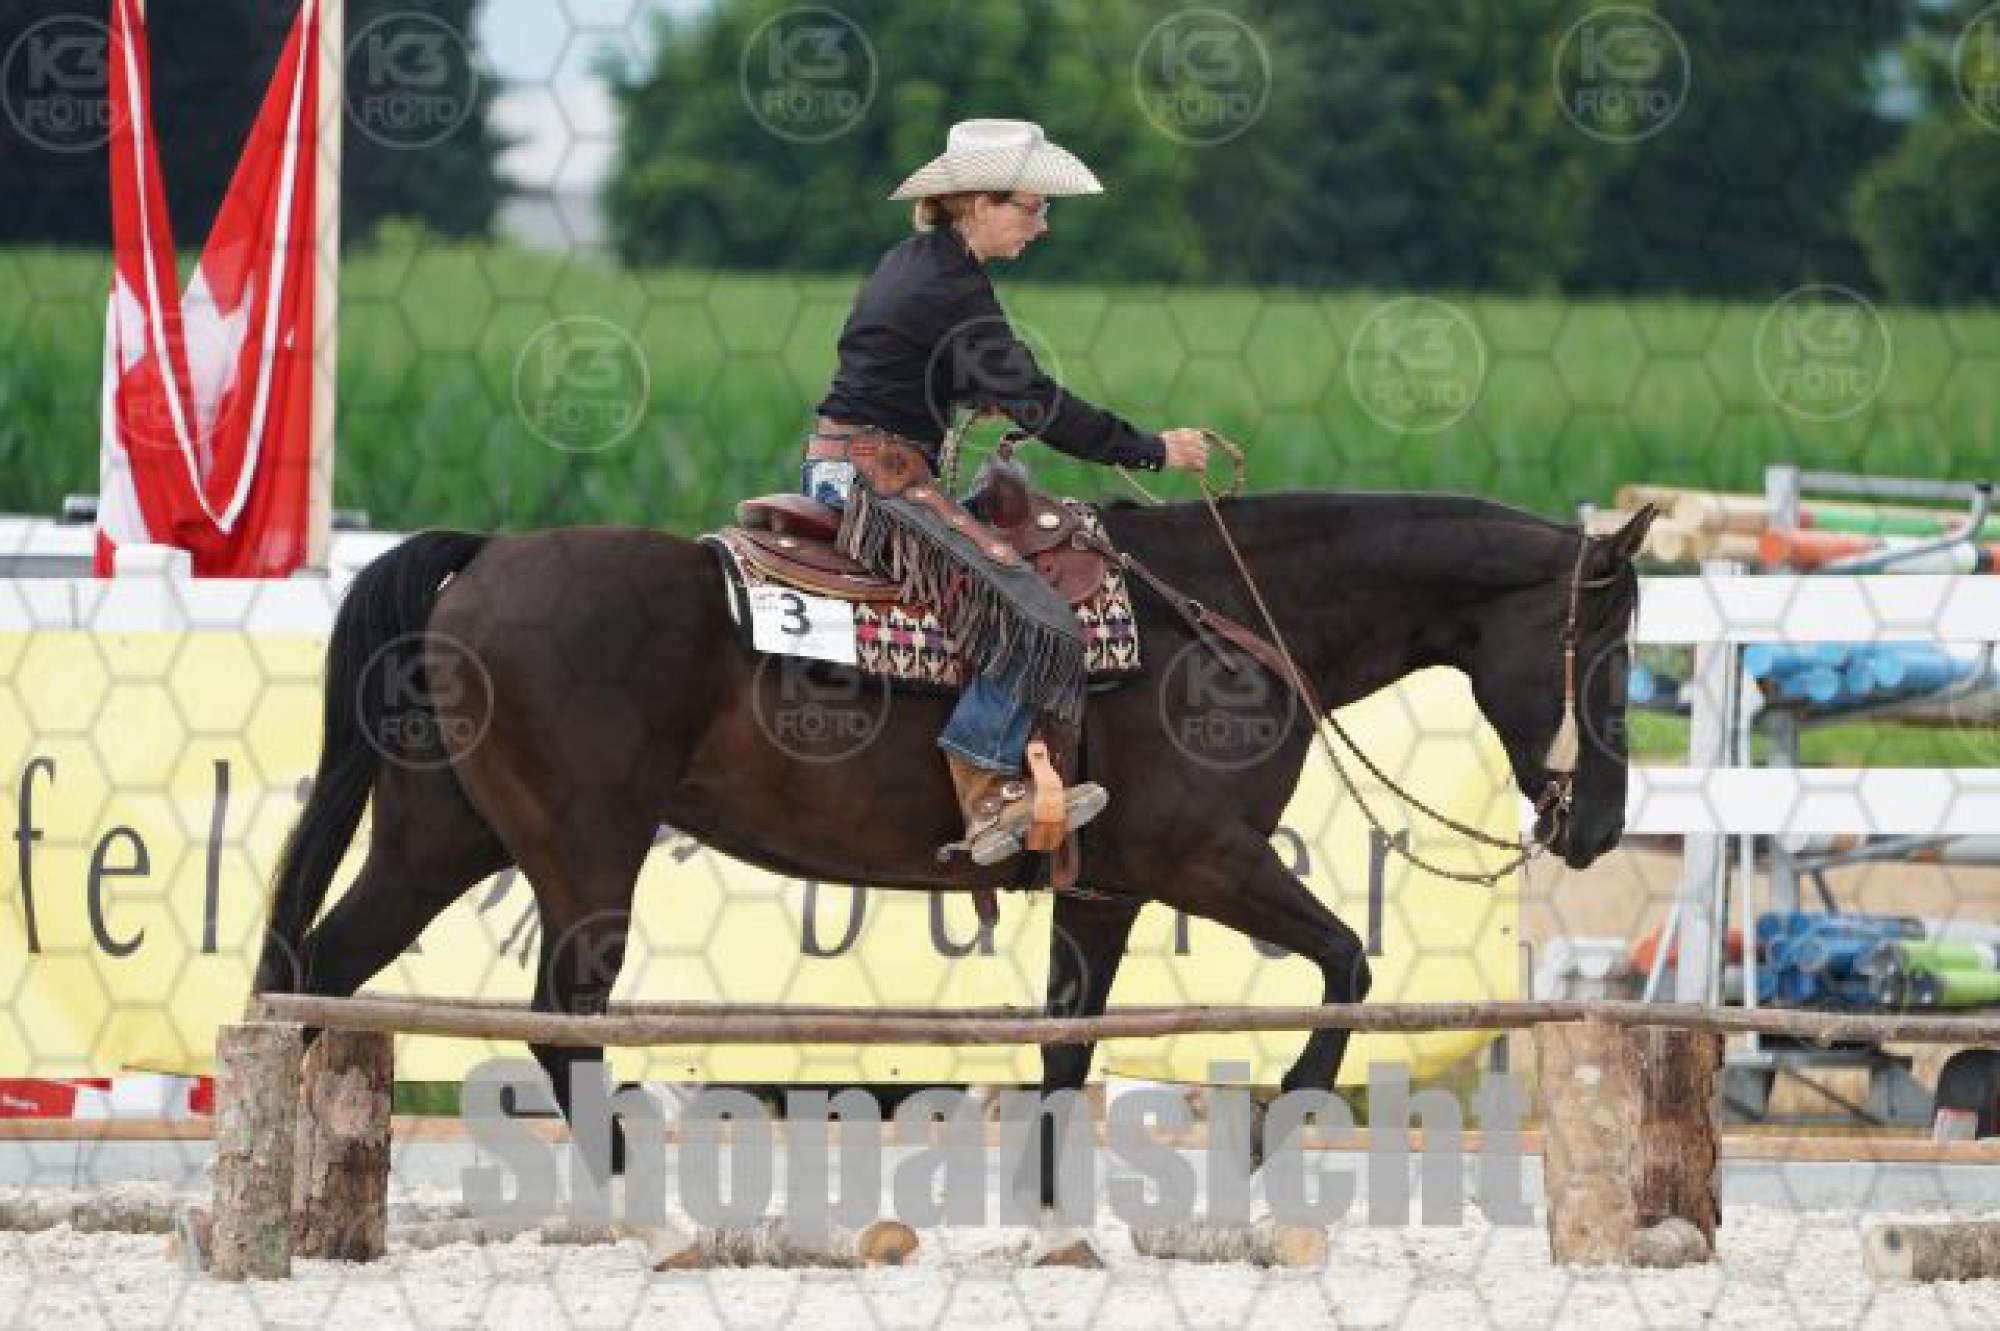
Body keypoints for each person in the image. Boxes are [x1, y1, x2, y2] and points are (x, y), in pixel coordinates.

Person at [802, 118, 1212, 868]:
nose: (1043, 225)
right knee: (1039, 617)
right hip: (876, 482)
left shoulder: (916, 263)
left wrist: (969, 386)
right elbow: (1040, 403)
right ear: (976, 203)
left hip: (855, 464)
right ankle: (988, 788)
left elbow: (899, 363)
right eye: (1032, 207)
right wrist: (1152, 449)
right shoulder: (952, 285)